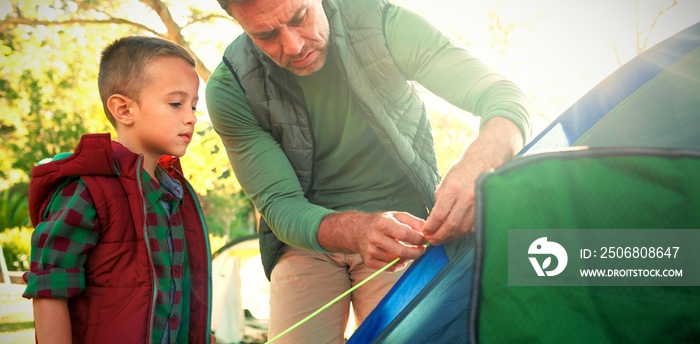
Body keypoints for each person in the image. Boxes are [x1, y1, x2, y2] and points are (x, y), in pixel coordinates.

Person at [206, 0, 535, 341]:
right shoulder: (230, 87)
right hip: (305, 239)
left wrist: (477, 167)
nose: (294, 45)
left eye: (300, 17)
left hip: (406, 232)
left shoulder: (382, 23)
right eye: (266, 35)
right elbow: (280, 206)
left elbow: (505, 97)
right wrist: (358, 230)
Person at [22, 36, 215, 344]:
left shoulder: (175, 196)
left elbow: (172, 290)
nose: (191, 117)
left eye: (193, 105)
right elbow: (50, 287)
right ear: (124, 109)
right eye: (176, 103)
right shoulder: (86, 190)